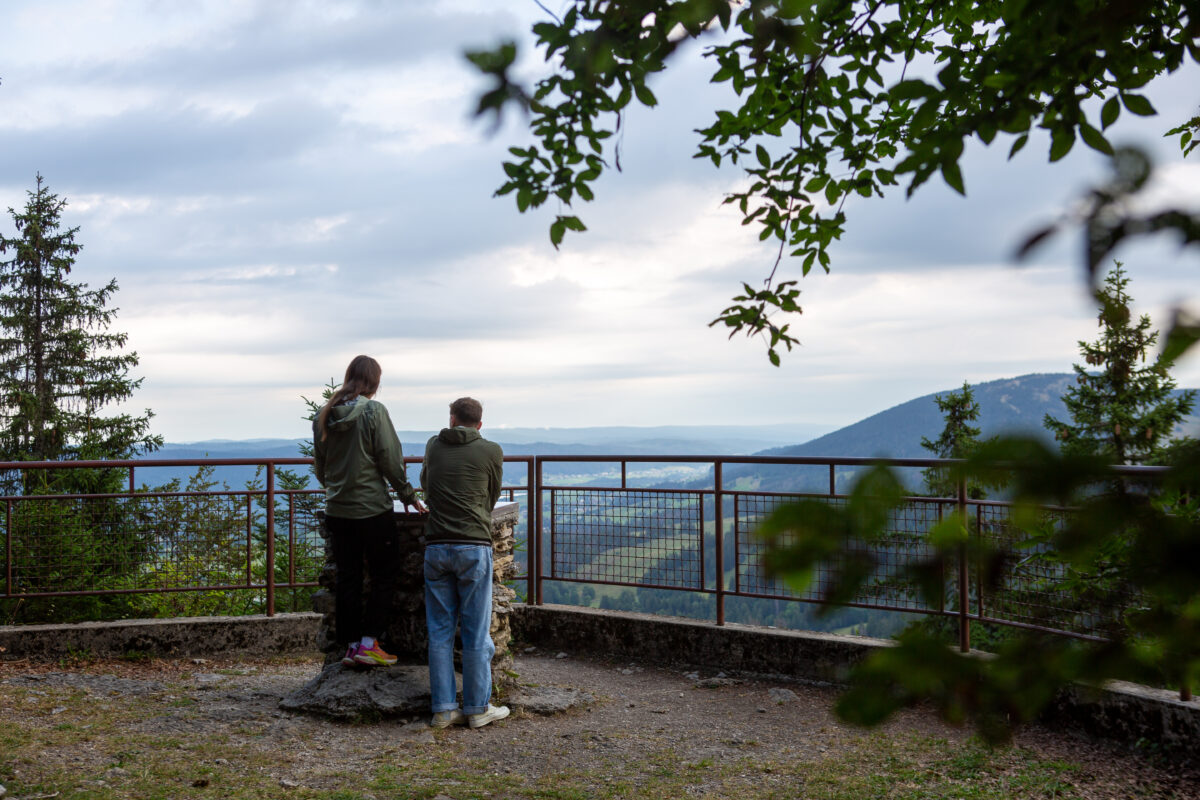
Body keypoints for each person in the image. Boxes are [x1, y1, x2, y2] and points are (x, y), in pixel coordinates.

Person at [313, 355, 426, 668]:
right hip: (372, 510)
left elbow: (321, 467)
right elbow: (389, 459)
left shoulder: (324, 415)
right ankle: (368, 643)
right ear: (375, 383)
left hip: (337, 510)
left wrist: (337, 487)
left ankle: (350, 646)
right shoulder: (375, 412)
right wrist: (407, 495)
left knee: (348, 578)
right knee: (384, 574)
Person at [420, 396, 508, 729]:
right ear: (480, 424)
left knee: (439, 631)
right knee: (475, 631)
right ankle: (476, 708)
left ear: (452, 419)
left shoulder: (433, 445)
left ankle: (443, 709)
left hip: (437, 545)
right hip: (474, 546)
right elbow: (492, 495)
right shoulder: (491, 450)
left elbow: (427, 486)